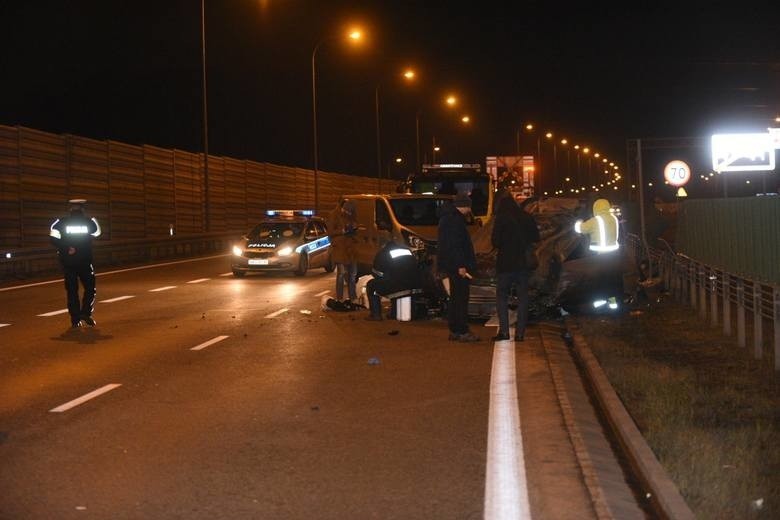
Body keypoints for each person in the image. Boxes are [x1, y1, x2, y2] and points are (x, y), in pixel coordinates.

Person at [491, 194, 540, 341]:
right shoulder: (526, 217)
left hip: (505, 264)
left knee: (502, 296)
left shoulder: (501, 218)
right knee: (523, 297)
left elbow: (495, 242)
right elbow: (536, 238)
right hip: (523, 264)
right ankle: (520, 334)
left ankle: (504, 332)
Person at [49, 199, 102, 328]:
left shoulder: (60, 223)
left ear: (70, 209)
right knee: (90, 289)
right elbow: (98, 233)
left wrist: (67, 247)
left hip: (68, 262)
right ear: (83, 209)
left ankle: (75, 319)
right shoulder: (89, 222)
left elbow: (52, 238)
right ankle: (86, 313)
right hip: (85, 261)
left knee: (72, 291)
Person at [437, 192, 480, 342]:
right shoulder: (455, 220)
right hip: (458, 266)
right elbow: (456, 245)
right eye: (468, 207)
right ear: (464, 206)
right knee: (461, 298)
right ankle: (462, 330)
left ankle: (454, 329)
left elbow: (447, 245)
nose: (469, 211)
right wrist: (461, 265)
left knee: (455, 298)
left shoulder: (446, 219)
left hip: (450, 265)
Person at [364, 240, 423, 321]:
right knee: (396, 290)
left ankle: (376, 314)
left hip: (396, 286)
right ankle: (396, 313)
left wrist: (386, 277)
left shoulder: (382, 253)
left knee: (371, 285)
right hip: (415, 287)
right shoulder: (408, 250)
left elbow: (376, 273)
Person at [326, 199, 359, 309]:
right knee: (341, 274)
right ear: (344, 209)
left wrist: (354, 228)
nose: (350, 214)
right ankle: (340, 298)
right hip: (339, 249)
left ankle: (353, 298)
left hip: (350, 249)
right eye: (348, 212)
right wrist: (342, 231)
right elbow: (330, 232)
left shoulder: (351, 214)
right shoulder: (334, 215)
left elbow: (355, 226)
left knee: (353, 274)